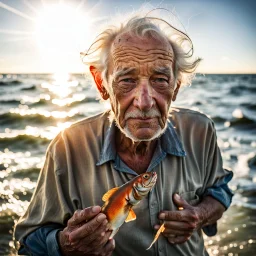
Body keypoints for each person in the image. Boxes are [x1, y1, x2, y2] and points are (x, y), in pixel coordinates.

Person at [14, 14, 233, 256]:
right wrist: (66, 245)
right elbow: (28, 243)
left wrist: (201, 215)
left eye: (160, 80)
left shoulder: (201, 131)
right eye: (127, 80)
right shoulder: (67, 148)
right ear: (101, 84)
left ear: (176, 86)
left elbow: (219, 190)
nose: (144, 102)